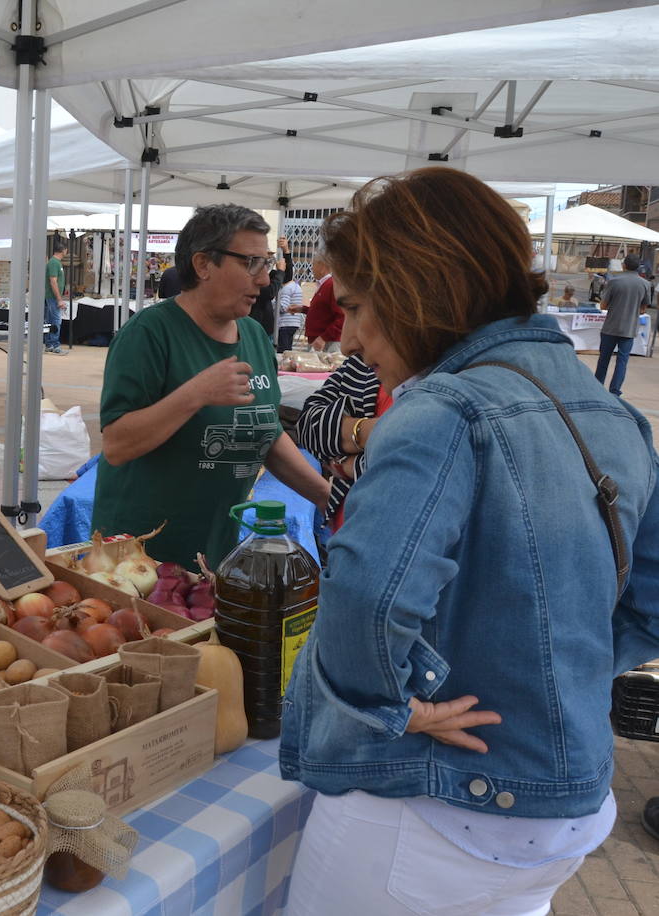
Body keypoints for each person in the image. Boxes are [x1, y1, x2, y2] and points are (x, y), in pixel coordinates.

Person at [281, 167, 659, 916]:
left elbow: (364, 605)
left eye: (355, 307)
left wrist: (401, 703)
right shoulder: (615, 414)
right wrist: (551, 669)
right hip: (565, 804)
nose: (351, 337)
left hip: (436, 808)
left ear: (412, 287)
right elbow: (647, 607)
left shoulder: (442, 410)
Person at [92, 204, 330, 571]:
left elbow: (265, 431)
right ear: (203, 265)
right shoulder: (149, 334)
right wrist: (195, 394)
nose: (264, 279)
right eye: (251, 263)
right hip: (138, 561)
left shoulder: (252, 334)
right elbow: (117, 445)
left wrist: (328, 498)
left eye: (265, 263)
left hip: (215, 555)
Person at [294, 352, 384, 540]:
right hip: (346, 534)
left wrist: (347, 463)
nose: (346, 345)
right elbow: (308, 425)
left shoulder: (442, 381)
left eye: (357, 320)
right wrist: (365, 432)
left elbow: (405, 461)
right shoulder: (361, 363)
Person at [595, 254, 649, 397]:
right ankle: (615, 391)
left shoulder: (614, 281)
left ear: (623, 265)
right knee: (622, 361)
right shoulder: (645, 284)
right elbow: (643, 309)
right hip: (629, 329)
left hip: (611, 327)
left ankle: (597, 387)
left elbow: (603, 305)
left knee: (604, 359)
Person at [303, 253, 342, 352]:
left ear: (322, 266)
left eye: (313, 265)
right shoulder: (324, 284)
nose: (312, 269)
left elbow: (341, 316)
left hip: (327, 342)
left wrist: (324, 337)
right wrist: (302, 309)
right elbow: (323, 311)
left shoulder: (331, 285)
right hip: (319, 340)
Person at [45, 239, 67, 355]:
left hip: (52, 296)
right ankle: (55, 344)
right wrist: (59, 299)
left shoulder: (55, 263)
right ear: (63, 250)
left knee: (50, 320)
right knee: (56, 320)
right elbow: (53, 281)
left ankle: (49, 344)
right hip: (53, 297)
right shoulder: (54, 263)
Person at [276, 275, 305, 352]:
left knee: (283, 350)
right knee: (288, 348)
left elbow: (283, 307)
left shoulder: (287, 288)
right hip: (294, 323)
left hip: (285, 323)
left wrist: (274, 303)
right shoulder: (296, 286)